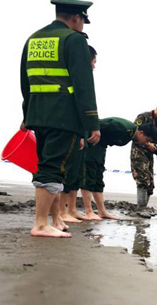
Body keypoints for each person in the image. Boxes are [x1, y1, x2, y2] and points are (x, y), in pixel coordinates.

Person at [20, 0, 100, 238]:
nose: (83, 27)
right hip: (63, 116)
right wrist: (91, 124)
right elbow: (84, 86)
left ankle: (54, 219)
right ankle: (41, 224)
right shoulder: (74, 40)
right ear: (77, 17)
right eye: (83, 22)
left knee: (49, 165)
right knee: (54, 168)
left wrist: (27, 114)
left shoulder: (33, 39)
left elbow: (26, 82)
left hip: (38, 114)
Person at [81, 118, 157, 220]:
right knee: (89, 176)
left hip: (101, 146)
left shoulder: (130, 134)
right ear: (141, 133)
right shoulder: (122, 128)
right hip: (91, 144)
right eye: (147, 140)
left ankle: (102, 211)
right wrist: (81, 138)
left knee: (98, 178)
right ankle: (89, 211)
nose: (146, 143)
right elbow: (96, 125)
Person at [59, 44, 98, 223]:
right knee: (66, 172)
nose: (94, 66)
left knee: (76, 173)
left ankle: (72, 209)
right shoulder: (75, 76)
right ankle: (62, 211)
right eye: (94, 62)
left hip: (79, 129)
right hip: (69, 127)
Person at [131, 101, 157, 209]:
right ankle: (141, 208)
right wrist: (148, 144)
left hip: (149, 155)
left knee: (150, 183)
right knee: (142, 179)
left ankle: (144, 208)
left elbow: (156, 138)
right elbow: (134, 133)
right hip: (138, 152)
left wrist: (156, 147)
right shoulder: (143, 117)